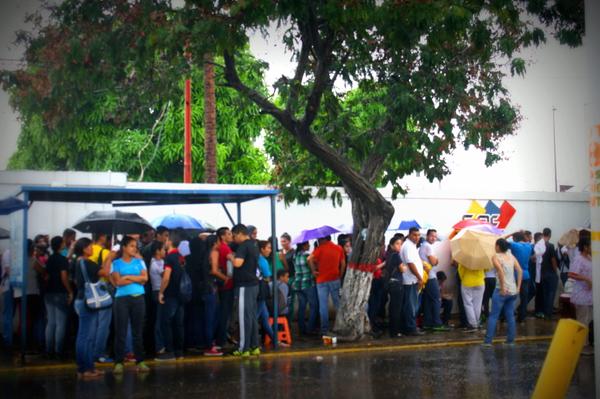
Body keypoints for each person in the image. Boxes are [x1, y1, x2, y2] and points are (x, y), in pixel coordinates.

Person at [111, 236, 149, 373]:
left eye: (135, 246)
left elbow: (145, 279)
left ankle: (140, 361)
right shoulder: (116, 263)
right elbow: (117, 282)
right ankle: (118, 362)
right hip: (121, 299)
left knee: (137, 332)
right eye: (131, 246)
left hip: (139, 298)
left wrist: (127, 277)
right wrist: (136, 279)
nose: (135, 248)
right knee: (120, 332)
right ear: (124, 248)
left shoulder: (139, 262)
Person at [73, 237, 108, 378]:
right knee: (88, 336)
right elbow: (105, 272)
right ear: (84, 248)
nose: (92, 248)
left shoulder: (77, 262)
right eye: (90, 246)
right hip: (89, 301)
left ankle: (83, 368)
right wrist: (109, 258)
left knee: (82, 335)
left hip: (80, 299)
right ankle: (87, 369)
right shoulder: (88, 263)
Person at [483, 238, 522, 346]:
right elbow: (520, 271)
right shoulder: (511, 256)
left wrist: (503, 288)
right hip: (513, 291)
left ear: (498, 246)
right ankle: (510, 340)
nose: (494, 247)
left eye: (495, 245)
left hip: (501, 290)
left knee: (493, 316)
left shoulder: (496, 257)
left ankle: (488, 341)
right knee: (510, 315)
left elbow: (500, 271)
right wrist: (518, 287)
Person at [231, 224, 260, 357]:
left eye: (234, 235)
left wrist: (230, 257)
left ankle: (243, 348)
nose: (233, 238)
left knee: (243, 318)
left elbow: (238, 263)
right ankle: (255, 346)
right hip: (253, 285)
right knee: (252, 317)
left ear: (239, 233)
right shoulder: (254, 245)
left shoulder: (243, 246)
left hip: (245, 286)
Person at [308, 235, 346, 335]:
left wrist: (313, 271)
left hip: (321, 280)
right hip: (335, 279)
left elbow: (309, 259)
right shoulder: (339, 248)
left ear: (323, 239)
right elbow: (343, 264)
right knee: (337, 304)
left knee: (323, 306)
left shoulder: (319, 249)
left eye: (319, 239)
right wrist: (340, 275)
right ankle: (341, 326)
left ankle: (325, 330)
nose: (318, 240)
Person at [157, 231, 186, 361]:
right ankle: (179, 352)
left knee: (166, 323)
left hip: (171, 294)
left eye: (166, 240)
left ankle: (169, 352)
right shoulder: (181, 256)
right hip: (181, 294)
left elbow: (166, 278)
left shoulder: (169, 257)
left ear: (170, 241)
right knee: (178, 324)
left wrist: (161, 292)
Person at [44, 236, 73, 359]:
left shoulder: (49, 259)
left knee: (51, 322)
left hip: (49, 292)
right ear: (61, 245)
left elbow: (46, 275)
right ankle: (58, 351)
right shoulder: (62, 260)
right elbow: (64, 277)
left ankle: (49, 350)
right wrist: (70, 291)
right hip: (60, 292)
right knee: (61, 323)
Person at [89, 232, 113, 363]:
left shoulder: (88, 251)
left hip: (89, 289)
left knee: (93, 322)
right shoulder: (104, 252)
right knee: (104, 323)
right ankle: (99, 353)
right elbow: (107, 272)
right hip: (102, 288)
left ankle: (91, 351)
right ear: (102, 236)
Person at [419, 229, 449, 332]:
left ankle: (427, 323)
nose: (434, 238)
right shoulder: (428, 246)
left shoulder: (423, 246)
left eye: (435, 236)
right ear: (427, 236)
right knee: (436, 300)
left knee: (428, 301)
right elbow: (434, 262)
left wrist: (435, 260)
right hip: (430, 277)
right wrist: (436, 260)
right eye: (432, 236)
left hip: (426, 277)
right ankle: (437, 323)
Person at [568, 238, 593, 355]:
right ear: (585, 247)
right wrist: (586, 279)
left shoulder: (590, 258)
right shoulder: (579, 259)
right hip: (581, 295)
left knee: (589, 320)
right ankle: (582, 346)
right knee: (583, 321)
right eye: (590, 245)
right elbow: (571, 274)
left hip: (590, 296)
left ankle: (587, 343)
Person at [400, 228, 425, 336]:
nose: (417, 237)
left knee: (413, 305)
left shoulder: (412, 246)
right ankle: (410, 328)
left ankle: (410, 327)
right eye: (415, 235)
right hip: (410, 280)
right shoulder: (407, 246)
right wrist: (420, 277)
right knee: (410, 306)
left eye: (418, 235)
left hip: (413, 280)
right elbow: (410, 264)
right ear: (409, 235)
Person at [505, 231, 533, 322]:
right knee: (524, 297)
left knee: (510, 296)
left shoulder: (514, 245)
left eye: (513, 238)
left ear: (515, 239)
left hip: (515, 274)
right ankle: (522, 317)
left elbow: (501, 240)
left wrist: (511, 233)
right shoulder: (529, 246)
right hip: (526, 274)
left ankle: (507, 316)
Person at [204, 234, 225, 356]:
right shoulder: (214, 252)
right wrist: (226, 278)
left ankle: (209, 344)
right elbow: (214, 270)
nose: (220, 243)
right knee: (212, 318)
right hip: (211, 288)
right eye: (218, 241)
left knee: (209, 317)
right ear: (214, 243)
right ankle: (209, 346)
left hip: (206, 288)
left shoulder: (206, 253)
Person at [215, 227, 235, 349]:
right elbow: (234, 262)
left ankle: (222, 337)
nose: (231, 235)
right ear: (222, 236)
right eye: (228, 234)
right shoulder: (225, 248)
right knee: (225, 313)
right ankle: (221, 340)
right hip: (227, 284)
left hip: (223, 284)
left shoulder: (220, 247)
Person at [292, 241, 318, 336]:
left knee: (302, 307)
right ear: (304, 245)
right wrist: (314, 271)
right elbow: (311, 263)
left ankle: (302, 329)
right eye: (308, 244)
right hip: (307, 283)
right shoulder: (307, 255)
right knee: (314, 306)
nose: (309, 246)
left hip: (298, 284)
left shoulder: (295, 255)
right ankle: (310, 329)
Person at [149, 240, 167, 355]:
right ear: (157, 251)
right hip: (158, 292)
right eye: (163, 249)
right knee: (160, 320)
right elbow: (165, 276)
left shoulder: (161, 261)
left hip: (160, 291)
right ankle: (159, 346)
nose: (165, 251)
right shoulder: (155, 263)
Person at [385, 235, 405, 337]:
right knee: (397, 308)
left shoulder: (388, 255)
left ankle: (392, 330)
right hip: (397, 284)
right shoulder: (396, 255)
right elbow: (402, 269)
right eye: (397, 244)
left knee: (393, 307)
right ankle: (395, 331)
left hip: (391, 283)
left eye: (400, 244)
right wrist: (406, 267)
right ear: (391, 245)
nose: (399, 246)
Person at [458, 261, 486, 333]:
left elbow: (460, 270)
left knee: (468, 304)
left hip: (467, 282)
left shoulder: (465, 258)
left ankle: (473, 324)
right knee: (477, 304)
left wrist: (463, 278)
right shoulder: (481, 258)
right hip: (480, 282)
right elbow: (486, 269)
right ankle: (476, 321)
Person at [257, 240, 276, 345]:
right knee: (255, 317)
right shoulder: (262, 261)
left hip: (258, 292)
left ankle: (274, 340)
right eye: (268, 248)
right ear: (262, 249)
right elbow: (268, 278)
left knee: (265, 317)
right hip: (261, 292)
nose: (270, 250)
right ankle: (252, 342)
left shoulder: (257, 259)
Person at [540, 228, 559, 319]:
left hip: (542, 273)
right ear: (550, 235)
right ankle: (548, 314)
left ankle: (544, 312)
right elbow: (553, 259)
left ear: (543, 234)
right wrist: (555, 271)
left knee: (545, 293)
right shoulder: (550, 246)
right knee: (551, 293)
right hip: (550, 272)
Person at [1, 248, 14, 349]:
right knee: (8, 313)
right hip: (9, 285)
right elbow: (8, 270)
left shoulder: (9, 252)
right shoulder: (8, 252)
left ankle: (8, 338)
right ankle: (7, 339)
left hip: (10, 285)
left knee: (9, 313)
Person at [533, 232, 546, 317]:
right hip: (539, 275)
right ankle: (539, 311)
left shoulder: (538, 248)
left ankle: (539, 310)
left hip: (539, 275)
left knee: (540, 293)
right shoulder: (537, 247)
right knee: (540, 293)